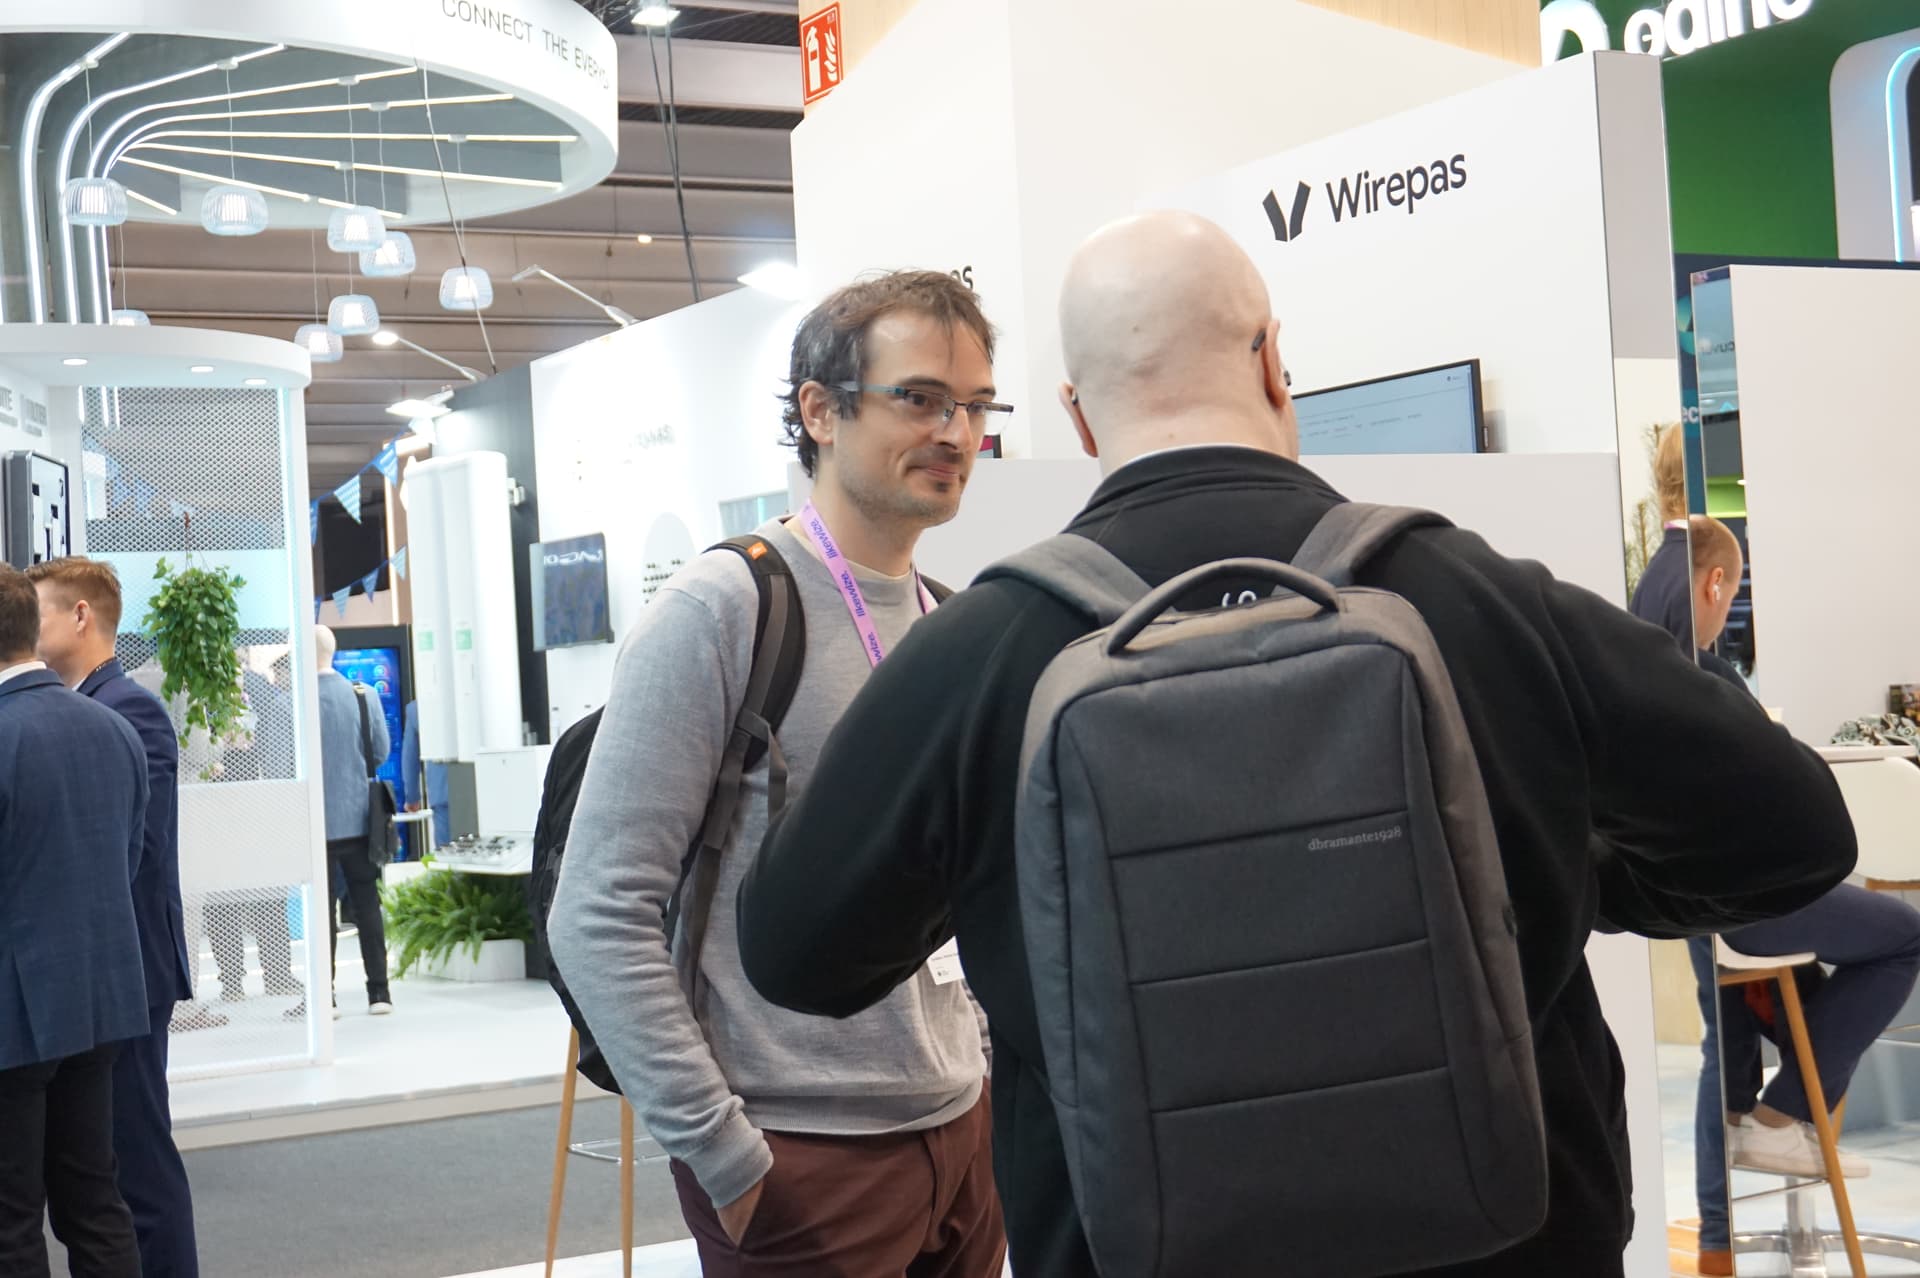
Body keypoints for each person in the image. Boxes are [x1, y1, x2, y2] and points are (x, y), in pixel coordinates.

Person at [738, 212, 1857, 1278]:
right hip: (1513, 1241)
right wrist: (1562, 872)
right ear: (1275, 363)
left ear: (1078, 418)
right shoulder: (1486, 600)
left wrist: (1005, 886)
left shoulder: (979, 652)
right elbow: (1798, 834)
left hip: (1133, 1244)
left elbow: (796, 954)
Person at [547, 270, 1009, 1277]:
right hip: (799, 1156)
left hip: (961, 1135)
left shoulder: (952, 619)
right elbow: (597, 910)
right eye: (921, 398)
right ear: (821, 411)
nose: (956, 433)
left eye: (976, 406)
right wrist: (725, 1153)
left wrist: (980, 1079)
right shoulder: (727, 607)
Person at [1644, 517, 1920, 1274]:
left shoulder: (1641, 667)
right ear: (1715, 584)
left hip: (1695, 904)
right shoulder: (1710, 677)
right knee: (1904, 937)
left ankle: (1717, 1242)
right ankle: (1785, 1116)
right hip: (1753, 897)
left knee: (1725, 1049)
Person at [30, 557, 202, 1278]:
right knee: (96, 1170)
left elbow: (134, 851)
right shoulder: (79, 706)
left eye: (37, 611)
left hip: (128, 973)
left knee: (138, 1163)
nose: (25, 627)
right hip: (94, 976)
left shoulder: (130, 709)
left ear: (81, 616)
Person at [0, 562, 149, 1278]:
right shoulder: (115, 730)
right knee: (94, 1203)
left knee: (9, 1224)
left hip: (12, 1018)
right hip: (99, 1006)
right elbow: (128, 863)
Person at [308, 625, 392, 1018]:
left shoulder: (297, 702)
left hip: (314, 823)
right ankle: (379, 993)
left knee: (321, 911)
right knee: (367, 905)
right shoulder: (364, 695)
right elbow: (381, 751)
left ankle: (326, 997)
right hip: (360, 819)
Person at [399, 699, 450, 853]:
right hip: (483, 793)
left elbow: (410, 757)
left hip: (443, 794)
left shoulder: (417, 708)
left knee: (448, 857)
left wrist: (412, 798)